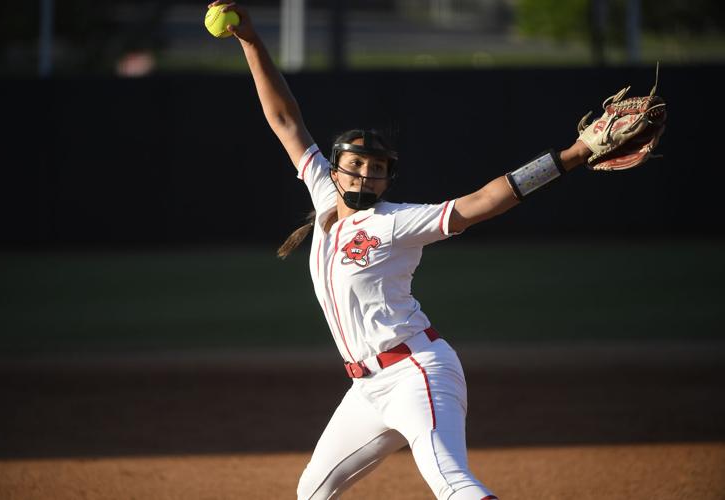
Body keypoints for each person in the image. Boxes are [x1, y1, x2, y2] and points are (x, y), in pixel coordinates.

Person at [211, 2, 592, 499]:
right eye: (356, 165)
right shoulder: (325, 193)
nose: (366, 174)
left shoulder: (395, 222)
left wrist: (574, 155)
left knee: (452, 484)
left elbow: (484, 201)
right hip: (367, 390)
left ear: (388, 176)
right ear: (337, 167)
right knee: (312, 492)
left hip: (418, 376)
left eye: (377, 168)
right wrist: (251, 40)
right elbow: (284, 119)